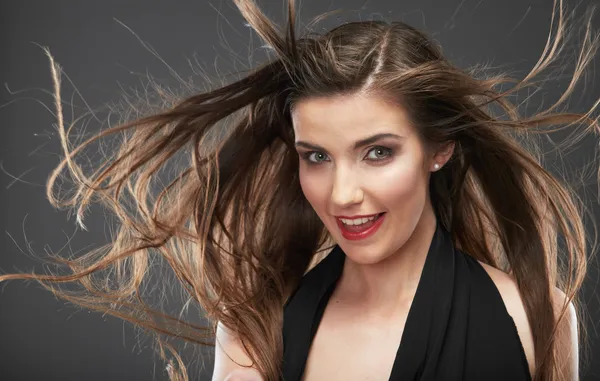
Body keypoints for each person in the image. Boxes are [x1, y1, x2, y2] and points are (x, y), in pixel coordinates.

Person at [0, 0, 597, 380]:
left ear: (439, 148)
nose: (342, 194)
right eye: (316, 156)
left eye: (377, 152)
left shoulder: (536, 317)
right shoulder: (257, 331)